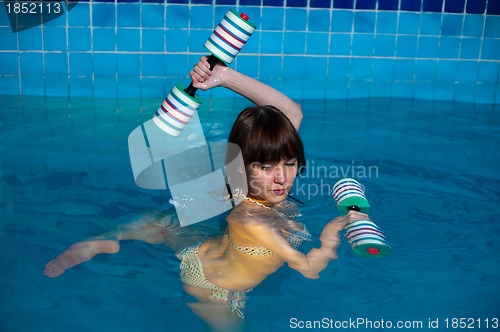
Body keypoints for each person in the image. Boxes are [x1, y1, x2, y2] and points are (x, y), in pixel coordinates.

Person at [44, 57, 368, 330]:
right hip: (216, 290)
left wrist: (225, 76)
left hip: (207, 250)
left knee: (168, 224)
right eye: (267, 167)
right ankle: (104, 241)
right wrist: (337, 228)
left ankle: (112, 237)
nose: (282, 176)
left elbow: (291, 113)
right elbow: (309, 269)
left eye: (290, 162)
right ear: (243, 168)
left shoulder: (254, 184)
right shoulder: (255, 219)